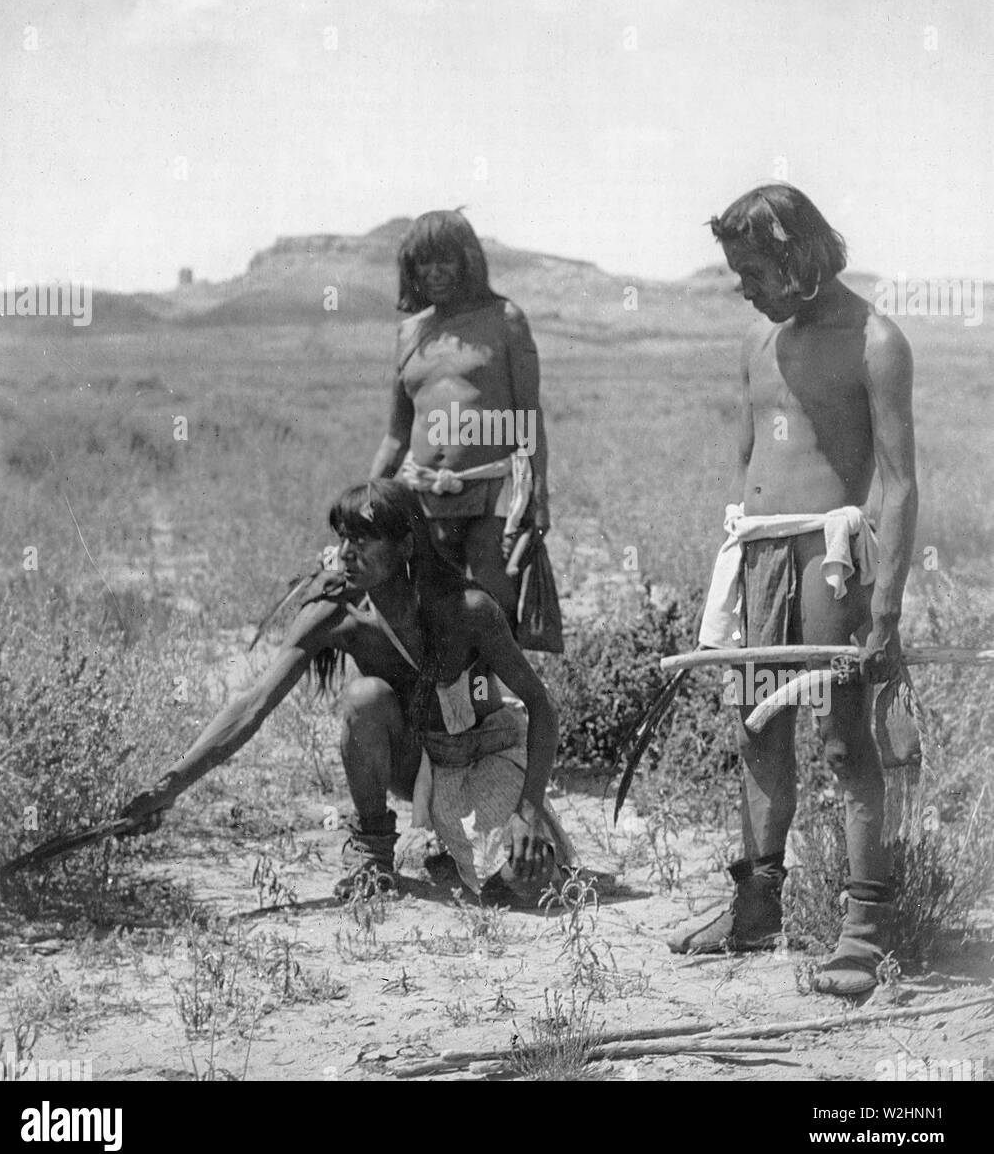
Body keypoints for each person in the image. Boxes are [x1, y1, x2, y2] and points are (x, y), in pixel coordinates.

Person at [668, 184, 918, 998]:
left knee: (846, 743)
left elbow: (899, 482)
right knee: (758, 729)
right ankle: (755, 908)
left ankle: (863, 929)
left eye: (751, 269)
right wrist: (743, 562)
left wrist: (882, 609)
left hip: (832, 558)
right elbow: (753, 464)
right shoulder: (755, 340)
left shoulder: (873, 340)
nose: (741, 285)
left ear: (796, 257)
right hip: (760, 557)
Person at [121, 480, 573, 900]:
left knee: (527, 885)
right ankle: (373, 853)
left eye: (363, 540)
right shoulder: (338, 614)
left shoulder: (466, 608)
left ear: (406, 545)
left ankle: (457, 851)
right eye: (342, 539)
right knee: (365, 698)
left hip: (486, 754)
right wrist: (169, 787)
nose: (345, 553)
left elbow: (541, 706)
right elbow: (252, 706)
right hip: (419, 766)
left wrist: (528, 811)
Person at [367, 210, 550, 630]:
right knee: (432, 609)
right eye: (423, 262)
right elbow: (396, 434)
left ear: (468, 260)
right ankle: (452, 696)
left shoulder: (506, 320)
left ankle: (498, 694)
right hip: (422, 493)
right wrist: (368, 496)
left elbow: (528, 415)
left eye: (445, 259)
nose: (434, 272)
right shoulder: (410, 332)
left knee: (492, 602)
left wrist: (540, 496)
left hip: (492, 491)